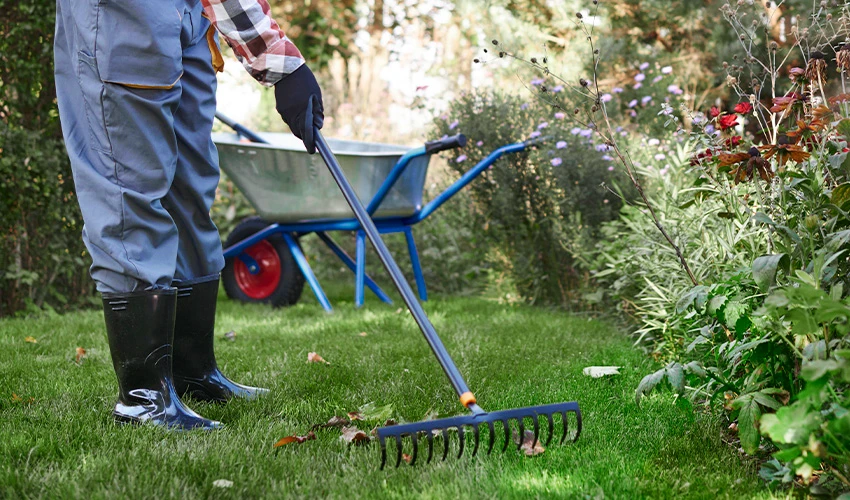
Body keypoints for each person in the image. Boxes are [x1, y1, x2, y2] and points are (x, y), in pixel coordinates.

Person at [53, 0, 323, 430]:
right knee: (131, 185)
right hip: (126, 12)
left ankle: (193, 373)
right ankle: (143, 398)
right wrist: (278, 62)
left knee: (190, 185)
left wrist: (277, 62)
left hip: (189, 13)